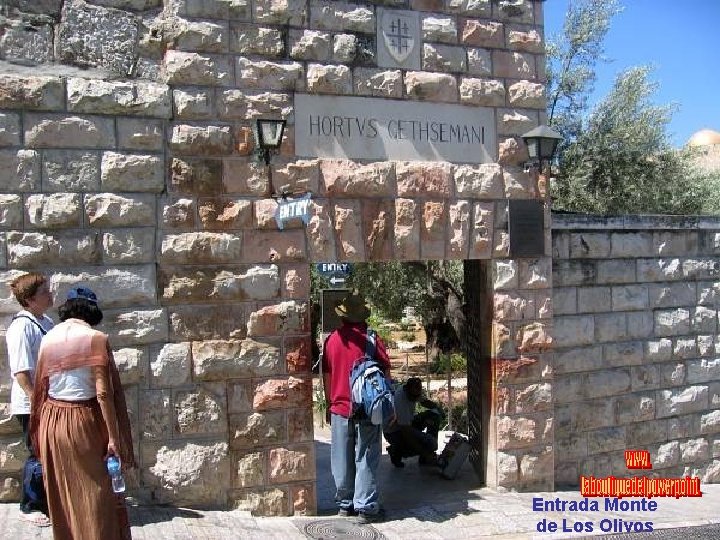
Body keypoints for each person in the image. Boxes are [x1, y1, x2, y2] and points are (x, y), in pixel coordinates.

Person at [29, 286, 135, 540]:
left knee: (65, 494)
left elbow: (40, 390)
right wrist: (113, 437)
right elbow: (103, 394)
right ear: (91, 311)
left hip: (52, 421)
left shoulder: (49, 338)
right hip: (83, 420)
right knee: (97, 495)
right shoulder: (95, 339)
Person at [322, 290, 390, 524]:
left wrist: (329, 404)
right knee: (366, 456)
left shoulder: (331, 341)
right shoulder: (372, 340)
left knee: (341, 457)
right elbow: (385, 374)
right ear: (363, 316)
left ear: (342, 317)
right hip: (368, 409)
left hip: (340, 407)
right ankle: (366, 506)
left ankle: (345, 504)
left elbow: (327, 376)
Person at [6, 272, 54, 527]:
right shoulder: (22, 327)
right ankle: (31, 505)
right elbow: (22, 372)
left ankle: (48, 502)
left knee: (48, 451)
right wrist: (36, 402)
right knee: (37, 452)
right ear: (30, 300)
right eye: (45, 292)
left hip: (49, 400)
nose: (50, 295)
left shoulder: (45, 321)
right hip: (32, 403)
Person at [384, 377, 443, 468]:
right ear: (407, 391)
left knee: (434, 416)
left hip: (408, 423)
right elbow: (407, 433)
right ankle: (396, 451)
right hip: (395, 431)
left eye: (417, 396)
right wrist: (426, 453)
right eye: (414, 397)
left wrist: (437, 408)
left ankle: (426, 456)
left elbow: (424, 402)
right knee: (431, 444)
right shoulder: (401, 401)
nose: (415, 399)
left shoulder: (413, 391)